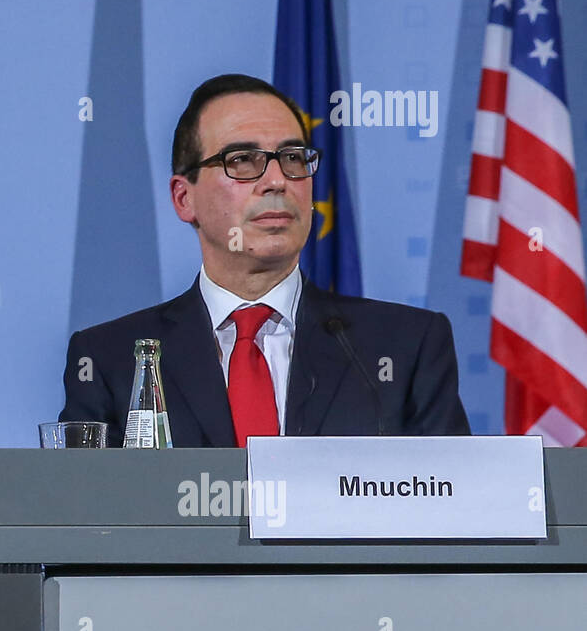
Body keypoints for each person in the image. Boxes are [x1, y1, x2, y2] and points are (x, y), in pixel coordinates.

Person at [60, 73, 470, 447]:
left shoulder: (404, 346)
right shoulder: (109, 358)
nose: (276, 181)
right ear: (185, 198)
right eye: (242, 160)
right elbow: (88, 518)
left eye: (293, 158)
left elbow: (455, 513)